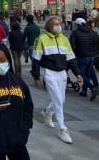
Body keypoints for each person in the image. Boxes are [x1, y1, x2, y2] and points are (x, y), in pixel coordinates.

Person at [31, 16, 82, 144]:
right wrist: (36, 77)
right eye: (55, 24)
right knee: (58, 100)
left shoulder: (64, 39)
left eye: (59, 23)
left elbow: (71, 58)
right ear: (49, 26)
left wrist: (77, 73)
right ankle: (62, 129)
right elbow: (36, 59)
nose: (58, 26)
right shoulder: (42, 39)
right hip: (49, 73)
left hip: (62, 73)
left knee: (61, 100)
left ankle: (47, 113)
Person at [69, 18, 99, 100]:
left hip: (81, 56)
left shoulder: (75, 32)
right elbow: (97, 41)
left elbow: (71, 44)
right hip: (91, 56)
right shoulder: (91, 32)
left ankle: (92, 87)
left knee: (82, 74)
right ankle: (84, 91)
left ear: (77, 25)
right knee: (88, 73)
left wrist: (73, 53)